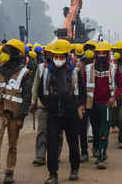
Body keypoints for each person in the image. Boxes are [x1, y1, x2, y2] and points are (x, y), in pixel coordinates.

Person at [0, 39, 33, 184]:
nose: (3, 54)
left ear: (15, 53)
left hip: (14, 116)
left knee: (12, 145)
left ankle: (9, 172)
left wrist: (22, 116)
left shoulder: (25, 73)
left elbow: (27, 96)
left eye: (7, 51)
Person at [37, 39, 85, 184]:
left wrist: (76, 105)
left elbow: (82, 93)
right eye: (55, 56)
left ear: (66, 56)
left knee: (73, 144)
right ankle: (52, 174)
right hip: (53, 115)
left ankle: (74, 169)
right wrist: (48, 104)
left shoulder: (75, 72)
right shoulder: (47, 73)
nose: (58, 59)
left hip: (70, 114)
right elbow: (41, 92)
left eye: (61, 56)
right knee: (52, 145)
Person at [82, 41, 122, 169]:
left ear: (108, 54)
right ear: (95, 54)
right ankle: (96, 147)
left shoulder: (113, 68)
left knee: (104, 130)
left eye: (103, 53)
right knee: (95, 130)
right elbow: (82, 86)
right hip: (92, 105)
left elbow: (121, 86)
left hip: (106, 105)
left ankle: (101, 156)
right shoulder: (88, 69)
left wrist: (114, 97)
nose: (101, 55)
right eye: (98, 53)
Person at [30, 44, 63, 167]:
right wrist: (33, 102)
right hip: (43, 105)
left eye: (50, 53)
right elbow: (35, 86)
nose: (48, 56)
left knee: (58, 133)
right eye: (46, 54)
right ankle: (40, 156)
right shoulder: (40, 67)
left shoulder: (61, 67)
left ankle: (56, 154)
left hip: (58, 105)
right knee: (42, 131)